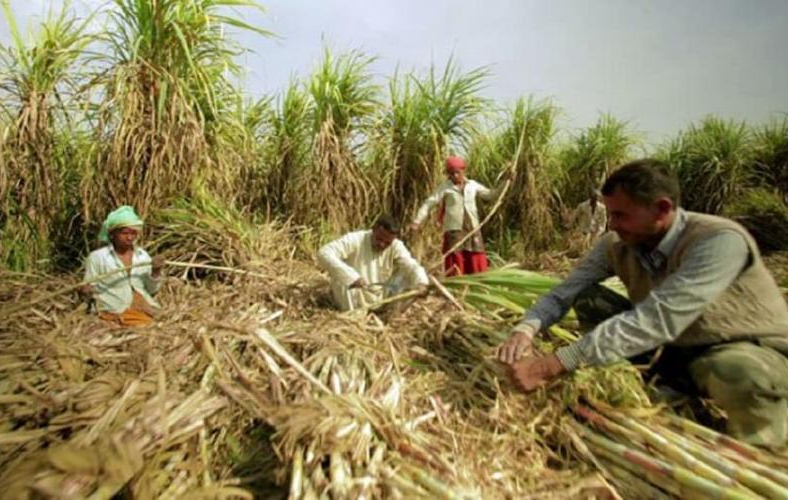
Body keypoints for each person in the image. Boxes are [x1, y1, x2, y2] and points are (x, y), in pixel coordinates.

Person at [498, 159, 788, 447]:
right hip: (677, 349)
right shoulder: (617, 244)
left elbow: (658, 318)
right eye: (610, 214)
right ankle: (667, 389)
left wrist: (552, 365)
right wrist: (526, 328)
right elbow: (565, 291)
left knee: (735, 371)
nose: (612, 224)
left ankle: (761, 449)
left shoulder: (718, 240)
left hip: (744, 348)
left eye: (621, 215)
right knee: (591, 300)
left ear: (661, 209)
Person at [409, 156, 502, 276]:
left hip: (472, 228)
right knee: (456, 258)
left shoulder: (472, 185)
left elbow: (491, 195)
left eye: (457, 172)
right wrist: (417, 220)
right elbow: (429, 203)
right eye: (451, 173)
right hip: (454, 230)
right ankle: (457, 286)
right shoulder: (445, 188)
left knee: (475, 255)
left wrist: (505, 183)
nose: (455, 176)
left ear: (463, 171)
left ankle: (478, 283)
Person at [318, 216, 429, 311]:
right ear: (373, 229)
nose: (382, 244)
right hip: (355, 297)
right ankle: (354, 317)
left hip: (381, 298)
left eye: (387, 242)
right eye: (379, 239)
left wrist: (422, 283)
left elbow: (411, 265)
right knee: (341, 278)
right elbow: (324, 253)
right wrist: (352, 277)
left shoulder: (395, 246)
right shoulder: (356, 239)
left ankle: (390, 315)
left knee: (408, 274)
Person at [80, 206, 164, 326]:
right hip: (115, 307)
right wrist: (86, 290)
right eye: (125, 233)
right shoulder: (98, 257)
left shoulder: (142, 256)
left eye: (134, 233)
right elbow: (89, 287)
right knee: (147, 326)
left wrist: (155, 272)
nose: (130, 238)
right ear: (113, 233)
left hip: (144, 305)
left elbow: (151, 290)